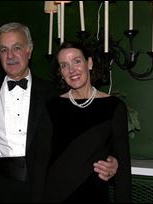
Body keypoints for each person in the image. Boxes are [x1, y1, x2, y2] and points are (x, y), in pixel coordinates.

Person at [0, 22, 119, 203]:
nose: (10, 55)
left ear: (29, 51)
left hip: (43, 188)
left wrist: (112, 161)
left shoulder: (54, 95)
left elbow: (84, 135)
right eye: (4, 50)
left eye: (17, 48)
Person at [42, 41, 132, 202]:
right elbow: (41, 161)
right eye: (64, 65)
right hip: (55, 195)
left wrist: (113, 162)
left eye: (77, 61)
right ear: (61, 72)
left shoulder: (114, 107)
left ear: (89, 63)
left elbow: (123, 166)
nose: (71, 70)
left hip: (95, 196)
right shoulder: (51, 107)